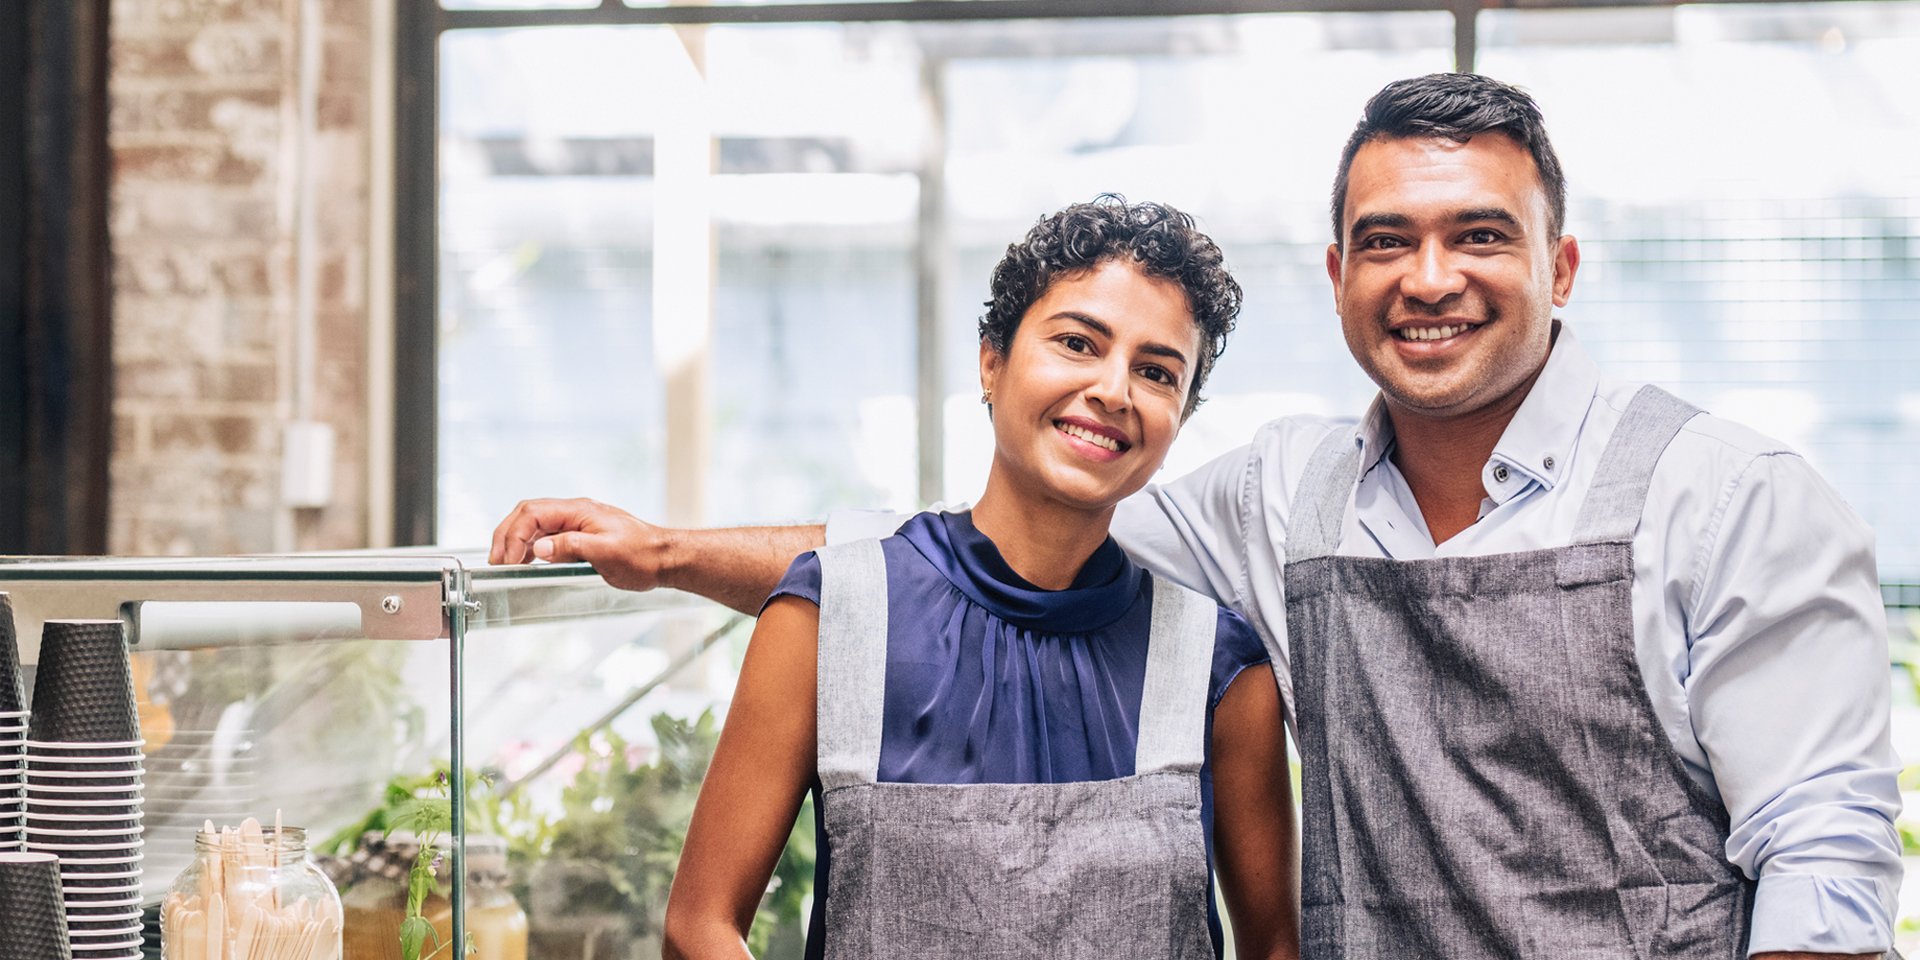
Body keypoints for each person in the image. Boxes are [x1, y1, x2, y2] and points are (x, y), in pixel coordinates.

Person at [493, 75, 1903, 958]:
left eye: (1481, 235)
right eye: (1388, 241)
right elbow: (955, 570)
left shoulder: (1732, 501)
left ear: (1563, 264)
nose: (1432, 278)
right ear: (1340, 271)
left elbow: (1827, 854)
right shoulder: (1284, 501)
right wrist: (668, 554)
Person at [652, 198, 1299, 960]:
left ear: (1180, 418)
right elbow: (699, 925)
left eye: (1157, 372)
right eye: (1077, 342)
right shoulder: (828, 616)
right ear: (991, 361)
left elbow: (1274, 948)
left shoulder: (1219, 668)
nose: (1115, 391)